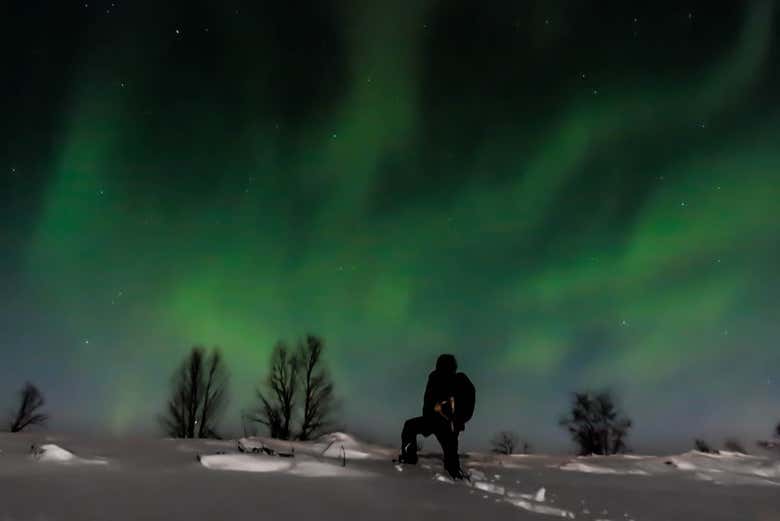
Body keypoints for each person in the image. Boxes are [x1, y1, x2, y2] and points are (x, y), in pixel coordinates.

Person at [398, 354, 475, 479]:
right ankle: (409, 459)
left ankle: (455, 474)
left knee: (451, 455)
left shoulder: (459, 380)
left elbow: (468, 401)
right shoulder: (434, 378)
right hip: (432, 420)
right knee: (410, 426)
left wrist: (458, 419)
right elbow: (429, 400)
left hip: (447, 423)